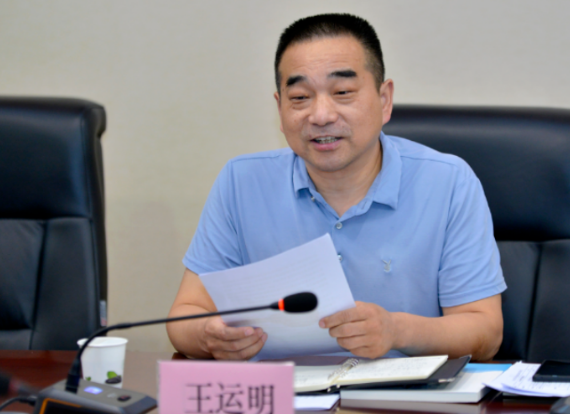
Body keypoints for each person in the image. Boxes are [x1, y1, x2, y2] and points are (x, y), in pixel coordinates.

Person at [167, 13, 506, 361]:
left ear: (384, 100)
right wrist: (209, 336)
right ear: (280, 108)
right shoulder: (241, 182)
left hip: (402, 392)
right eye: (300, 97)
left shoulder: (448, 182)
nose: (321, 115)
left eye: (342, 92)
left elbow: (485, 332)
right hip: (282, 389)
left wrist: (396, 330)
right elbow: (186, 316)